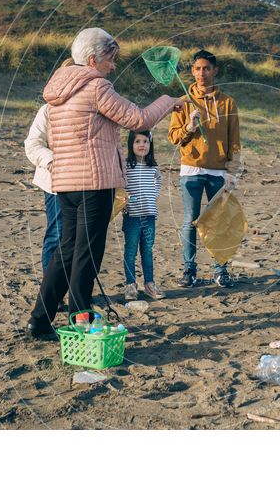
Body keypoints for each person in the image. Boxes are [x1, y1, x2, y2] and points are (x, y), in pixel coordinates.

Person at [26, 27, 185, 339]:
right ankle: (79, 321)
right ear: (92, 59)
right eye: (110, 59)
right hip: (93, 183)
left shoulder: (57, 93)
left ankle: (40, 320)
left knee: (66, 251)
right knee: (87, 254)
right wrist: (170, 101)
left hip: (66, 184)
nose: (113, 66)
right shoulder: (96, 87)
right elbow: (139, 120)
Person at [168, 49, 241, 288]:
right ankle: (189, 270)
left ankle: (221, 270)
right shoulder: (182, 103)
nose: (202, 73)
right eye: (197, 68)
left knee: (218, 222)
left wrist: (231, 171)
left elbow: (235, 141)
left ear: (215, 70)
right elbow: (173, 138)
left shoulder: (228, 102)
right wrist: (189, 126)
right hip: (191, 170)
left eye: (207, 68)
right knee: (191, 220)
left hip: (219, 172)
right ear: (192, 71)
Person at [121, 130, 164, 301]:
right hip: (132, 216)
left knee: (147, 250)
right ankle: (131, 285)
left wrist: (153, 195)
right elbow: (120, 184)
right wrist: (125, 201)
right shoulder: (126, 165)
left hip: (149, 216)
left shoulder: (152, 166)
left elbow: (158, 181)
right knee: (130, 251)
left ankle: (149, 284)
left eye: (146, 142)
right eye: (138, 141)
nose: (142, 145)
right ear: (131, 144)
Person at [24, 104, 61, 274]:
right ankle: (52, 292)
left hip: (88, 184)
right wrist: (52, 162)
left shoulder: (92, 103)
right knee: (57, 235)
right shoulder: (49, 109)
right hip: (55, 184)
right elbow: (33, 144)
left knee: (82, 240)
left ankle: (77, 290)